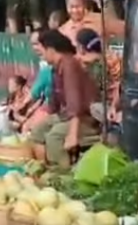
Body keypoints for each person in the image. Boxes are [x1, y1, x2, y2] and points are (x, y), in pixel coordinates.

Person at [29, 29, 99, 167]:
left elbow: (75, 103)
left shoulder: (69, 65)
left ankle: (63, 172)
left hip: (88, 119)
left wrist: (72, 134)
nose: (40, 54)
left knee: (54, 137)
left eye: (41, 49)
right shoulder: (55, 68)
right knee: (38, 131)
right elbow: (54, 104)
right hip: (66, 115)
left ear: (51, 49)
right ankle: (44, 169)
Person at [75, 27, 123, 124]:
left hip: (112, 103)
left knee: (94, 107)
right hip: (118, 100)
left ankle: (115, 121)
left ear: (81, 48)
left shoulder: (95, 64)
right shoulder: (110, 56)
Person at [17, 30, 52, 133]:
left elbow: (35, 93)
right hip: (46, 104)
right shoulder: (44, 64)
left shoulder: (49, 68)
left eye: (37, 44)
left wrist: (21, 105)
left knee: (26, 127)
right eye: (33, 44)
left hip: (53, 108)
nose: (35, 48)